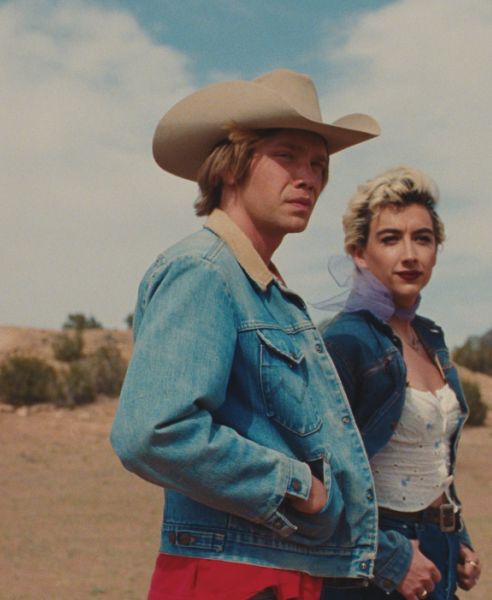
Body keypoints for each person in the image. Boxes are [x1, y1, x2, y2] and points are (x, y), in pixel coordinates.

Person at [110, 69, 382, 600]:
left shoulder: (261, 285)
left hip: (274, 567)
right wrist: (298, 488)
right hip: (230, 575)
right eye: (288, 156)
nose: (309, 178)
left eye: (319, 164)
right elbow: (152, 432)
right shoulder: (204, 271)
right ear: (232, 166)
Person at [318, 167, 483, 600]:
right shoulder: (345, 342)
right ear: (359, 252)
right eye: (390, 239)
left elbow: (431, 452)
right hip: (377, 555)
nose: (409, 254)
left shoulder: (429, 337)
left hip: (437, 548)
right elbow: (322, 474)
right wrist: (382, 555)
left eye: (422, 239)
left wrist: (456, 533)